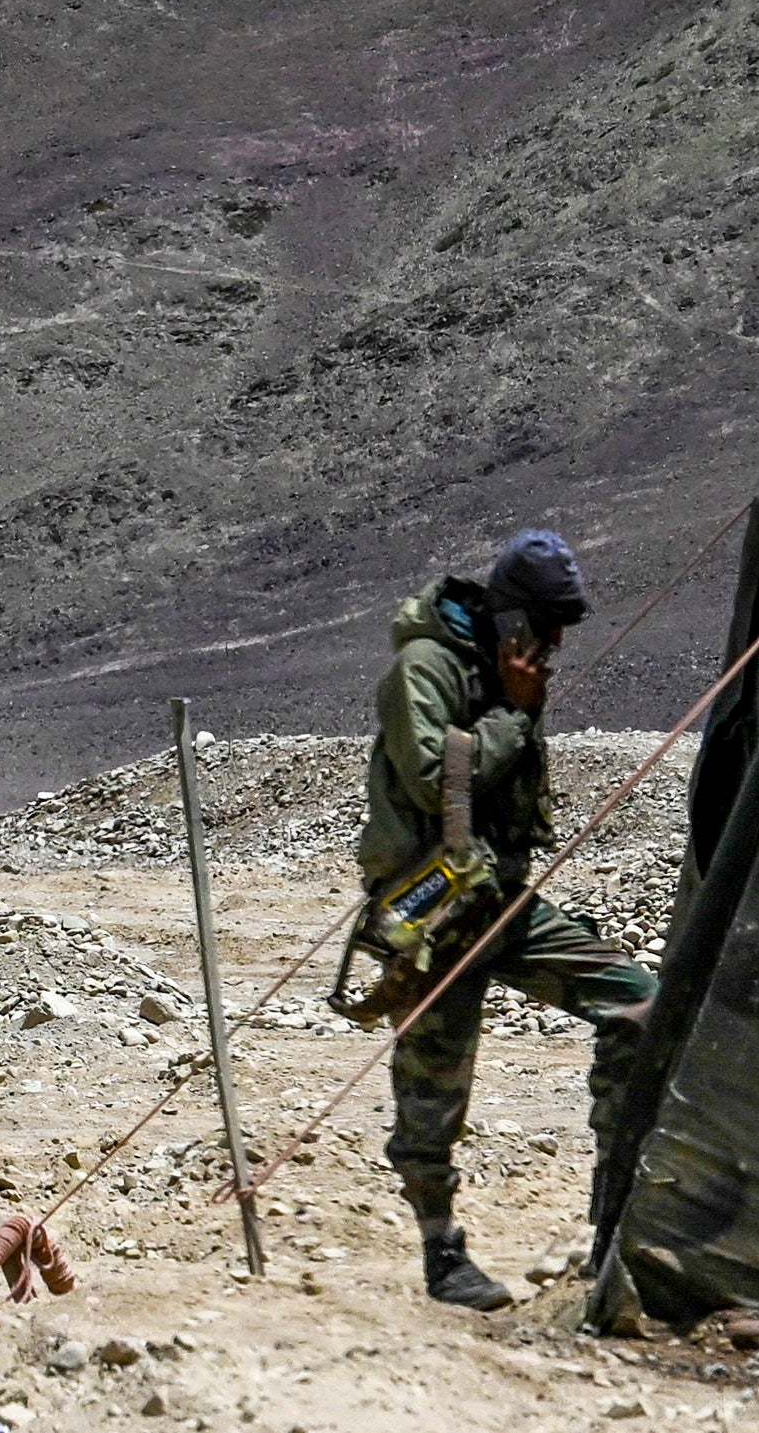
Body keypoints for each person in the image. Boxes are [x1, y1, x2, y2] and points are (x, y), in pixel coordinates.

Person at [361, 529, 654, 1309]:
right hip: (435, 912)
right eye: (549, 624)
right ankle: (440, 1256)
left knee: (641, 1005)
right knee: (431, 1091)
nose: (557, 643)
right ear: (511, 614)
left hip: (506, 902)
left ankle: (612, 1220)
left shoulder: (506, 669)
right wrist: (515, 718)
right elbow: (431, 783)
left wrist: (517, 710)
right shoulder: (422, 668)